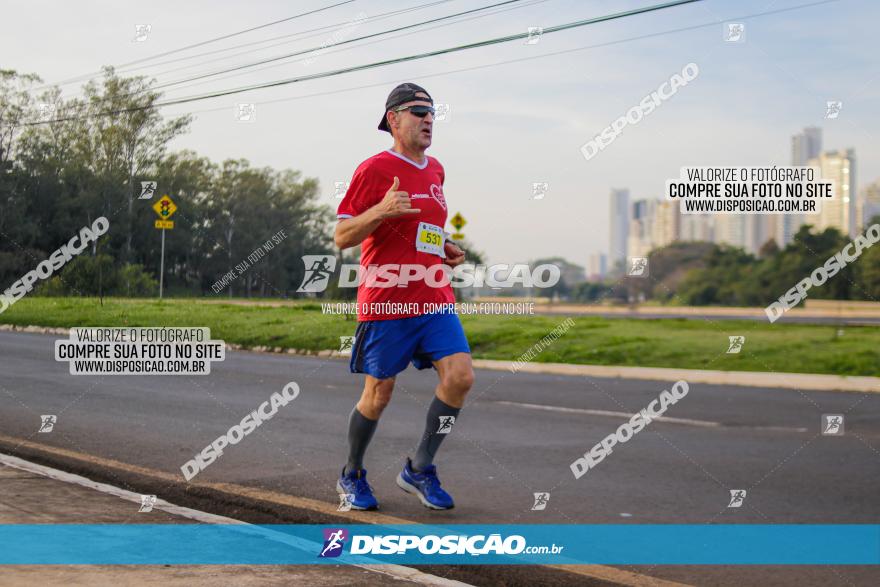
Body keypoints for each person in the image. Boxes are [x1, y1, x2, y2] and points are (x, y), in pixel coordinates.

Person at [333, 83, 474, 510]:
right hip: (387, 299)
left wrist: (444, 244)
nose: (428, 118)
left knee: (461, 377)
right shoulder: (374, 169)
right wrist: (380, 210)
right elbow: (342, 236)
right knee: (379, 394)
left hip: (433, 296)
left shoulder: (437, 171)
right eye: (418, 111)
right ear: (393, 119)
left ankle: (419, 468)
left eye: (432, 112)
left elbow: (424, 227)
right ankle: (352, 474)